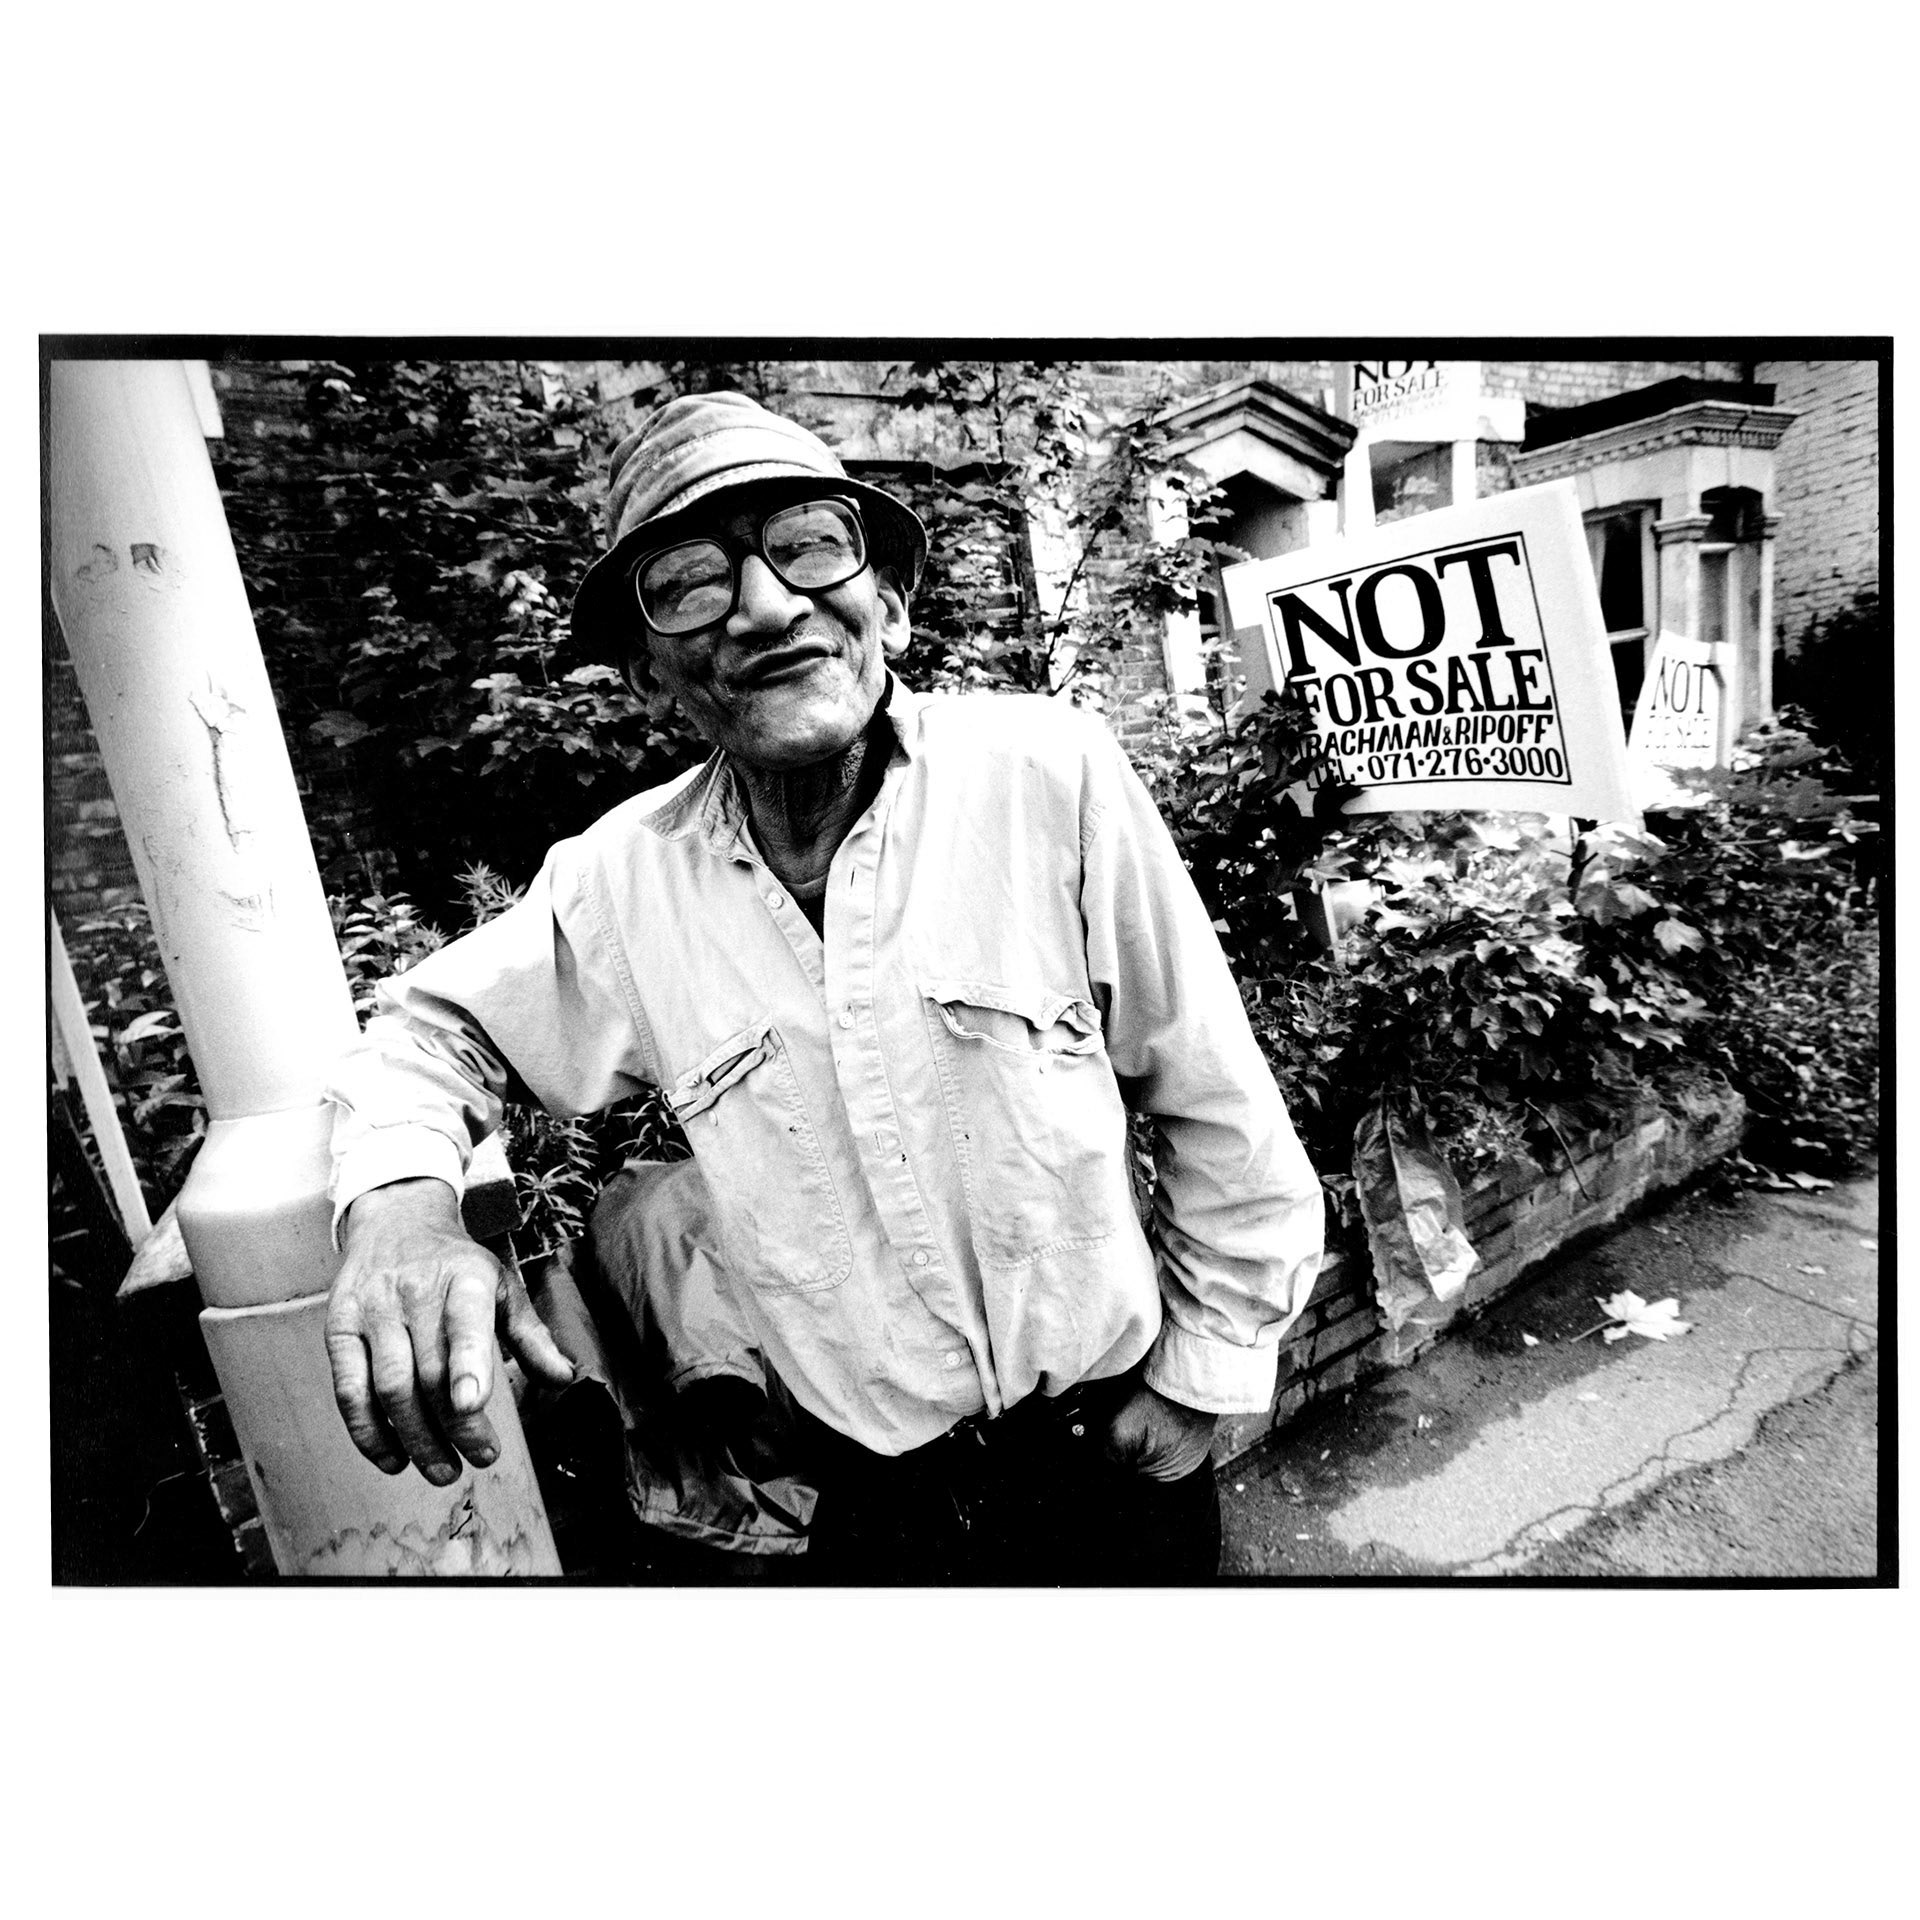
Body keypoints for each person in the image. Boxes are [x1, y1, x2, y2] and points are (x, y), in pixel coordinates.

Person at [321, 389, 1325, 1582]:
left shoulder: (1045, 776)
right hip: (874, 1507)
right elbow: (427, 1029)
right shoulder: (621, 887)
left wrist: (1200, 1381)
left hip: (1107, 1464)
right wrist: (402, 1208)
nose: (765, 605)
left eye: (806, 545)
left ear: (884, 601)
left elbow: (1211, 1092)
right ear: (648, 675)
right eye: (691, 582)